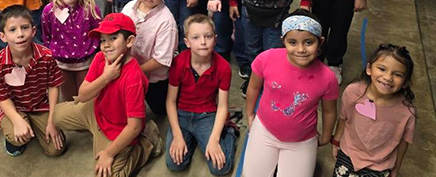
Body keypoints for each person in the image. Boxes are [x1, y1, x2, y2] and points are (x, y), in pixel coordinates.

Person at [53, 13, 163, 177]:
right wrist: (105, 77)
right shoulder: (100, 58)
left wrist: (109, 153)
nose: (106, 45)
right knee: (54, 115)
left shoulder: (133, 78)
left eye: (113, 38)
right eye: (103, 40)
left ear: (129, 41)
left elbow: (133, 127)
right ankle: (95, 131)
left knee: (108, 174)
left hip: (118, 127)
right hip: (96, 111)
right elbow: (83, 95)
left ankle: (146, 142)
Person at [243, 11, 339, 177]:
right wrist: (250, 113)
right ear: (283, 41)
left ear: (320, 42)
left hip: (301, 141)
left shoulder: (328, 77)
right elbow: (253, 87)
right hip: (265, 130)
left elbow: (330, 111)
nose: (301, 49)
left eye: (308, 42)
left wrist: (326, 136)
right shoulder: (265, 59)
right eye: (292, 42)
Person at [0, 5, 66, 157]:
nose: (20, 34)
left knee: (57, 149)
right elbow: (2, 98)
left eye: (25, 28)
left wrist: (52, 120)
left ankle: (34, 124)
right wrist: (17, 120)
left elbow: (53, 86)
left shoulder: (47, 56)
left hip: (38, 104)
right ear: (2, 36)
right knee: (18, 139)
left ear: (33, 30)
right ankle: (16, 130)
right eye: (12, 30)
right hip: (13, 107)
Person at [165, 14, 237, 176]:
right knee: (175, 164)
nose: (203, 42)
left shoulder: (224, 67)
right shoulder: (179, 63)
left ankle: (230, 132)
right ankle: (191, 138)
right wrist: (177, 135)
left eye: (208, 36)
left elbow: (222, 105)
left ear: (215, 39)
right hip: (182, 114)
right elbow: (170, 101)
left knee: (220, 168)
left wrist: (215, 139)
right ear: (187, 42)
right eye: (196, 38)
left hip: (207, 114)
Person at [331, 44, 416, 177]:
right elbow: (343, 118)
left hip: (381, 165)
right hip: (348, 154)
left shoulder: (406, 112)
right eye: (382, 69)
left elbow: (404, 143)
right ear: (369, 69)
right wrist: (336, 142)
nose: (388, 77)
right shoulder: (353, 92)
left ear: (405, 82)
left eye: (397, 74)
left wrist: (396, 168)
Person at [122, 0, 178, 115]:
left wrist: (134, 72)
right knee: (132, 108)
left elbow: (161, 59)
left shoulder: (167, 21)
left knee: (160, 111)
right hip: (130, 71)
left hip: (154, 79)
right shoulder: (128, 8)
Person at [41, 0, 102, 101]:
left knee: (85, 98)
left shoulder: (91, 9)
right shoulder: (49, 11)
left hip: (85, 63)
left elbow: (98, 34)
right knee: (68, 99)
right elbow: (47, 36)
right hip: (61, 64)